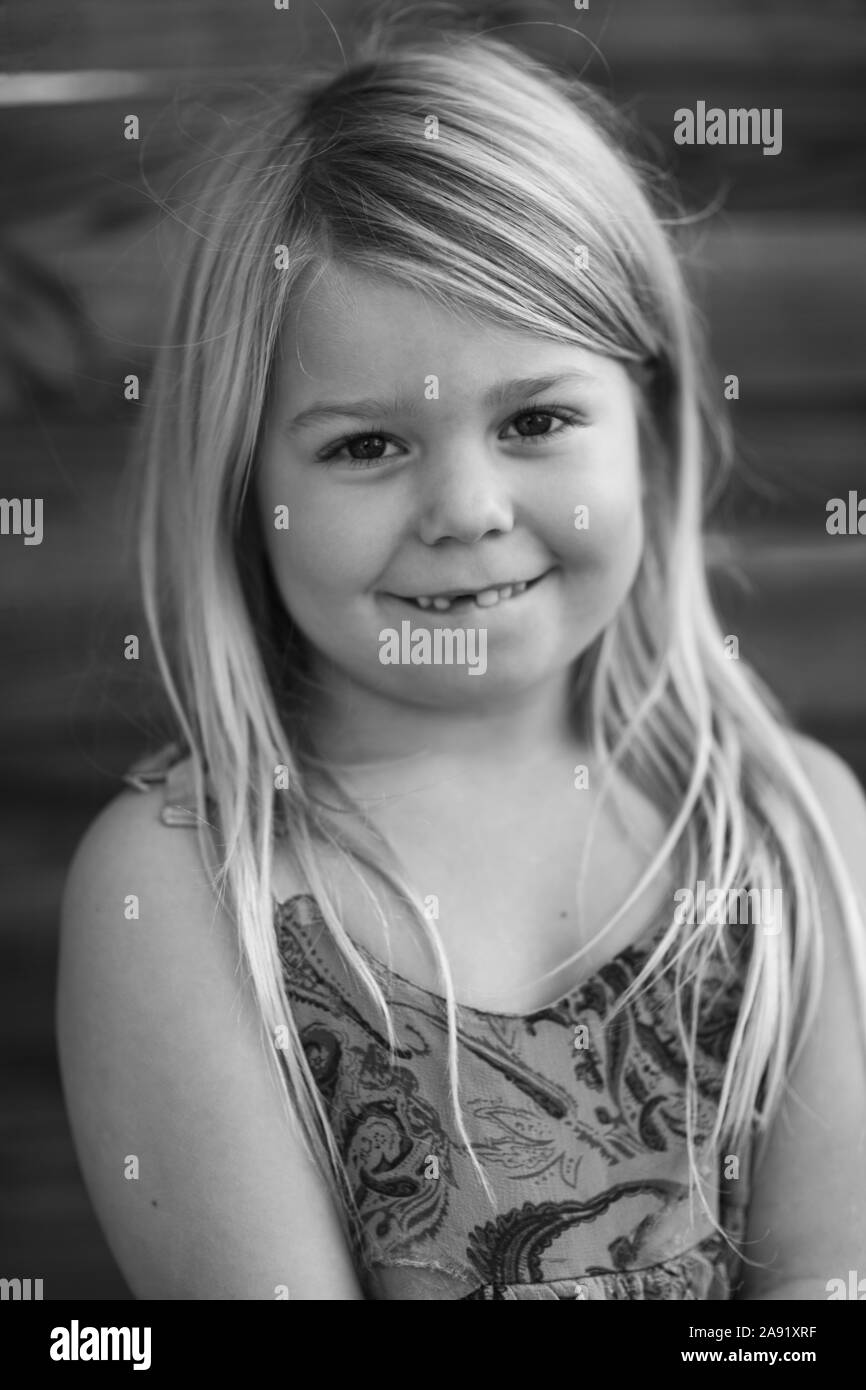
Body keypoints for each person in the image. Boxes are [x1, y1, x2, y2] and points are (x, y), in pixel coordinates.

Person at [56, 21, 866, 1300]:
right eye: (366, 445)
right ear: (240, 488)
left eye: (536, 418)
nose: (465, 508)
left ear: (648, 435)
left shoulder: (795, 830)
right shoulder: (183, 888)